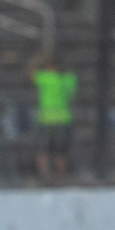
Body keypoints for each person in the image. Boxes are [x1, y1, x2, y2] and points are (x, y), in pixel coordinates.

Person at [30, 53, 76, 182]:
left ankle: (44, 175)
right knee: (61, 150)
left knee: (42, 149)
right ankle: (61, 176)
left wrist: (36, 60)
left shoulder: (46, 78)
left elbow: (31, 74)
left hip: (46, 118)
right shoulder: (69, 79)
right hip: (63, 118)